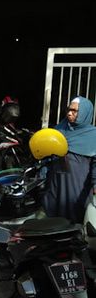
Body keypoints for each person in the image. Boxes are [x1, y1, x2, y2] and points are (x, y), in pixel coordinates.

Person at [42, 96, 96, 224]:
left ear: (85, 113)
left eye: (74, 111)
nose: (69, 113)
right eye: (69, 109)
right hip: (56, 181)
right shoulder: (60, 129)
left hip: (78, 185)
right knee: (53, 214)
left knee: (74, 216)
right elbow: (47, 154)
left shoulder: (93, 136)